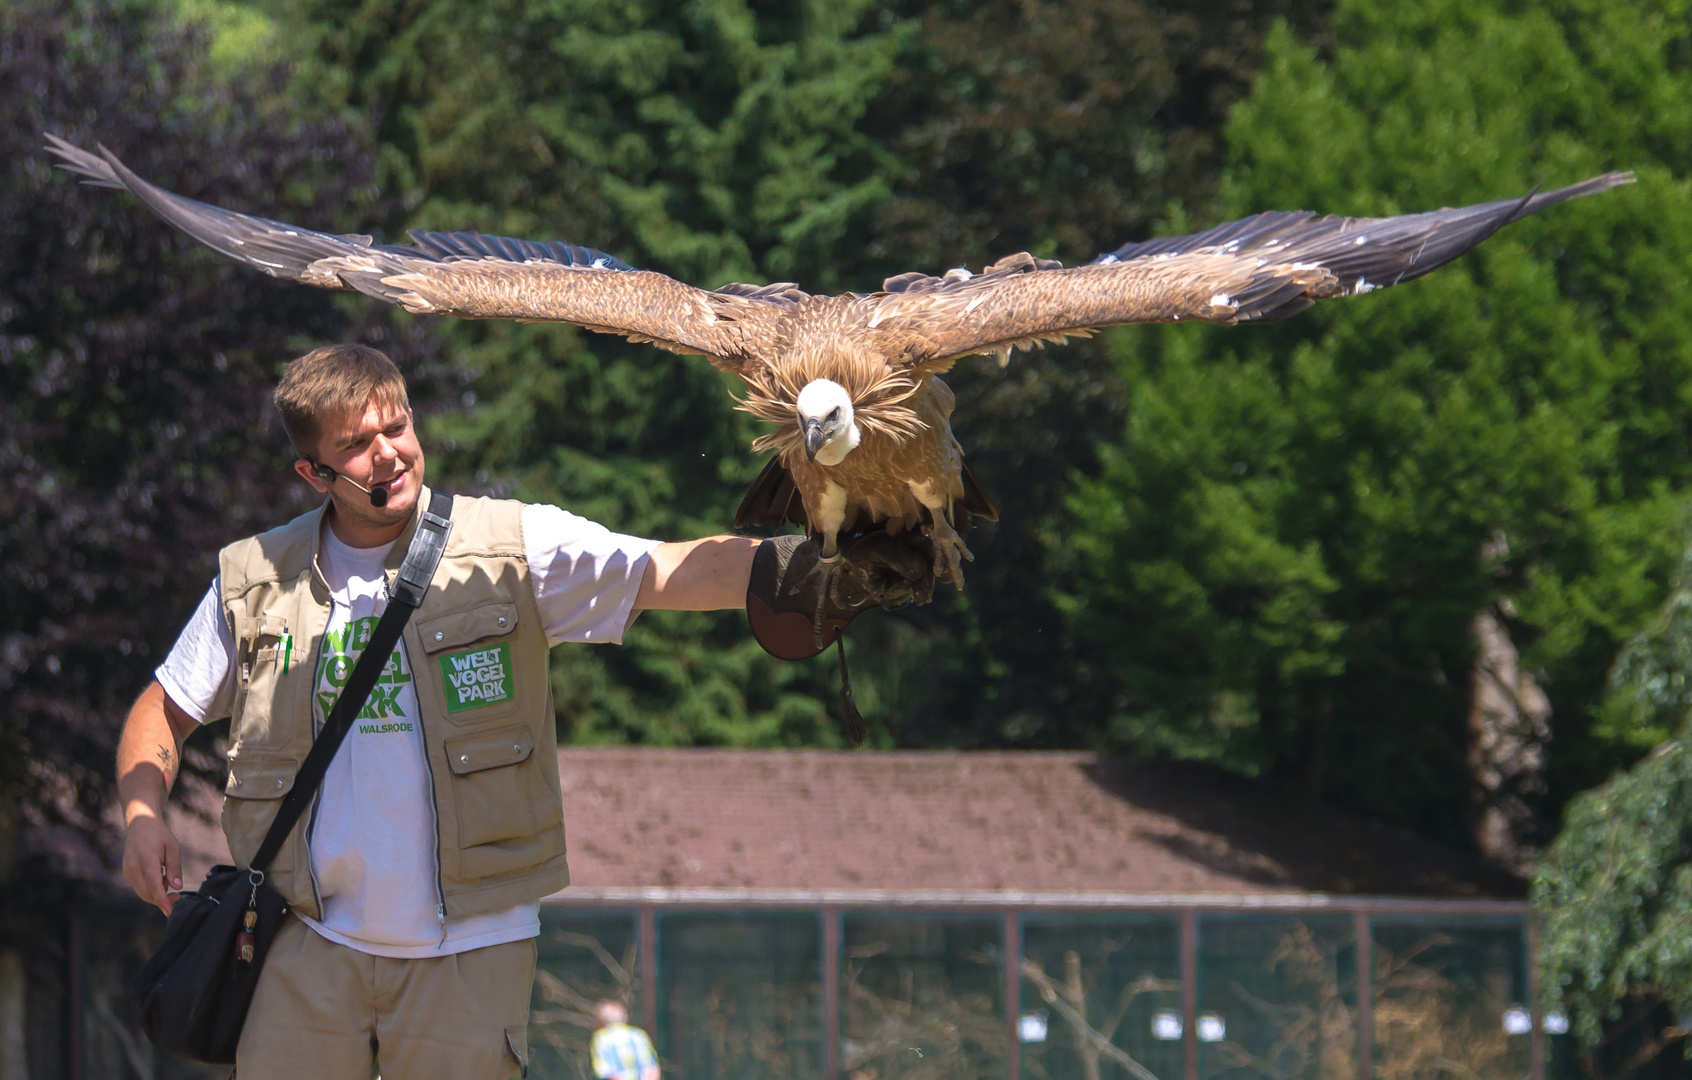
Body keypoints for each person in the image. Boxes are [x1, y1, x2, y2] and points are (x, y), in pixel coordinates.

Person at [113, 344, 911, 1080]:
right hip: (302, 938)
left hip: (471, 946)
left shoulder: (512, 545)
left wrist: (810, 564)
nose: (389, 451)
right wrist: (143, 815)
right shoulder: (256, 579)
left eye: (398, 426)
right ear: (313, 472)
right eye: (358, 445)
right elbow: (162, 709)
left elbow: (663, 572)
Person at [589, 1001, 659, 1080]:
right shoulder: (639, 1035)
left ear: (601, 1020)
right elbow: (653, 1070)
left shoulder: (601, 1039)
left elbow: (605, 1073)